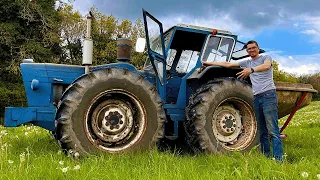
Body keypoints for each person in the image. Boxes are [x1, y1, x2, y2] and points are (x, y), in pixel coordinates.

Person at [202, 40, 283, 161]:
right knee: (262, 129)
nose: (251, 50)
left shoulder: (266, 57)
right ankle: (266, 156)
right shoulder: (247, 62)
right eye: (249, 49)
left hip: (268, 96)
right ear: (247, 51)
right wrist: (208, 63)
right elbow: (228, 64)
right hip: (257, 97)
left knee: (272, 129)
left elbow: (266, 66)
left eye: (253, 48)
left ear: (258, 48)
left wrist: (251, 70)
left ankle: (278, 158)